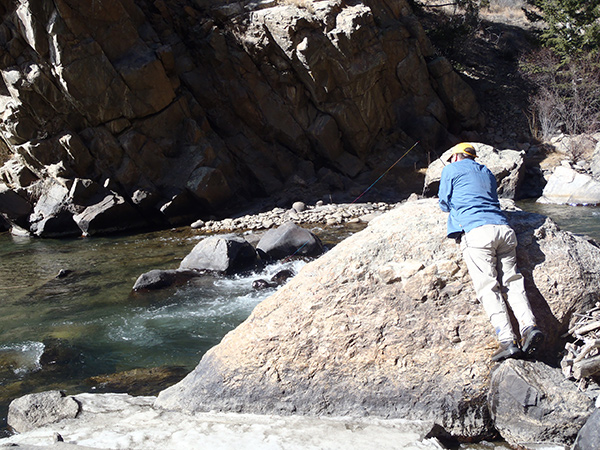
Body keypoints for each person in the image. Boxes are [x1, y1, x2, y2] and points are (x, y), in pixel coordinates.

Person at [438, 142, 544, 362]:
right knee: (513, 282)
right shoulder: (486, 171)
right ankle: (529, 327)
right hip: (504, 229)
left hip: (477, 232)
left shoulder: (450, 169)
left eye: (451, 158)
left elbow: (444, 203)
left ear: (456, 156)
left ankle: (507, 341)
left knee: (488, 288)